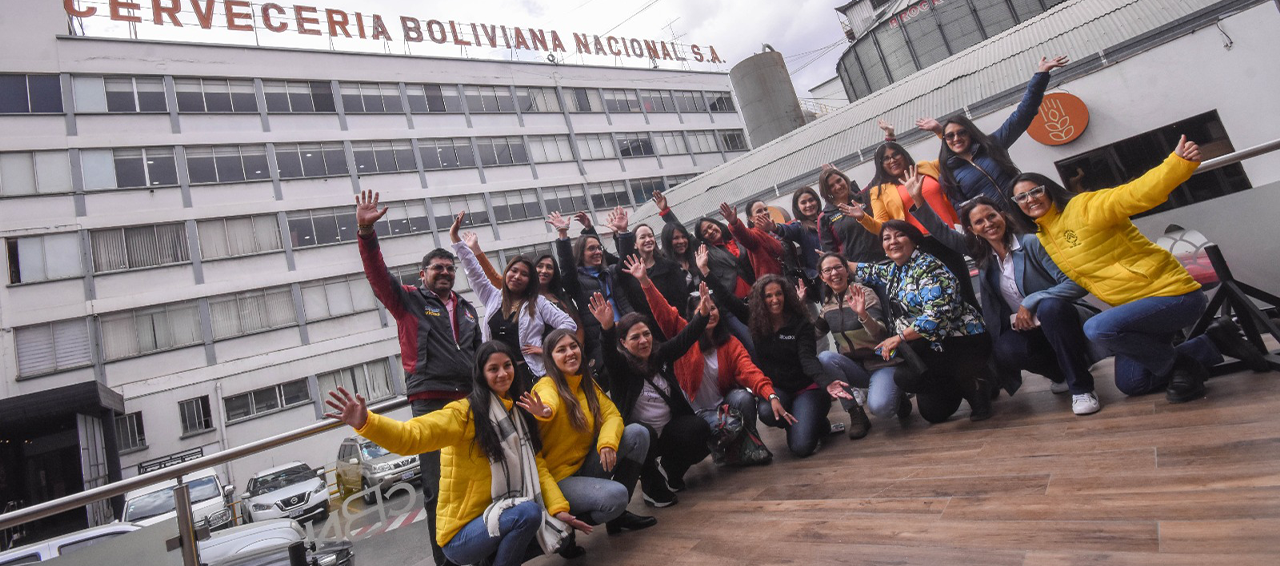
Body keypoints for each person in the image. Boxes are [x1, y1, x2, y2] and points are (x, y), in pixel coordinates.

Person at [1008, 136, 1269, 403]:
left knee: (1097, 328)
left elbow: (1135, 193)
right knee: (1132, 382)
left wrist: (1177, 164)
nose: (1030, 199)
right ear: (1017, 205)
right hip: (1137, 314)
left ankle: (1184, 365)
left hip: (1171, 295)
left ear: (1048, 189)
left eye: (1035, 190)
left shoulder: (1084, 207)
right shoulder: (1044, 236)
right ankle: (1213, 341)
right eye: (1021, 197)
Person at [323, 342, 591, 566]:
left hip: (498, 516)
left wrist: (558, 508)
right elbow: (412, 436)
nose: (502, 374)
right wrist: (366, 422)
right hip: (461, 534)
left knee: (555, 530)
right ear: (480, 374)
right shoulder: (465, 413)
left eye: (507, 366)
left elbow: (537, 466)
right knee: (529, 515)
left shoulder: (517, 413)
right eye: (493, 368)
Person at [355, 190, 480, 566]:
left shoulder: (468, 309)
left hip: (471, 400)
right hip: (430, 401)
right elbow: (377, 276)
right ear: (423, 274)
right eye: (436, 268)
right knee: (438, 487)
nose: (444, 272)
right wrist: (365, 232)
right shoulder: (408, 299)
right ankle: (446, 562)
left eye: (449, 268)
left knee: (476, 477)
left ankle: (479, 553)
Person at [907, 178, 1104, 414]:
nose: (988, 224)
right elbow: (942, 232)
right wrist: (918, 199)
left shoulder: (1031, 243)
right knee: (1006, 350)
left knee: (1050, 308)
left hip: (1060, 318)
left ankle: (1082, 388)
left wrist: (1032, 301)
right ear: (971, 230)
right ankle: (1060, 373)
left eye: (991, 216)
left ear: (1002, 215)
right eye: (979, 222)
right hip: (1028, 328)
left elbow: (1075, 284)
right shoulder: (982, 253)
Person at [621, 254, 785, 463]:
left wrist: (771, 396)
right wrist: (645, 281)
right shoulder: (682, 333)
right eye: (703, 309)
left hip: (724, 405)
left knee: (744, 398)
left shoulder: (730, 343)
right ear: (694, 315)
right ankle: (720, 447)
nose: (710, 312)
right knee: (706, 431)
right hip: (694, 414)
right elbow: (664, 312)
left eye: (713, 307)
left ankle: (747, 445)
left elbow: (750, 371)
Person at [854, 220, 995, 423]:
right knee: (933, 414)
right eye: (886, 238)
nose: (893, 241)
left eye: (899, 235)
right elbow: (867, 270)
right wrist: (835, 265)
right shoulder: (894, 269)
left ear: (914, 240)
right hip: (931, 344)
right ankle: (959, 385)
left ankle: (976, 382)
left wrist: (899, 338)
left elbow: (935, 317)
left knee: (906, 375)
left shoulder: (929, 267)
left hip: (961, 340)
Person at [589, 285, 714, 508]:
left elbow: (684, 339)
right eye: (635, 337)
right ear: (623, 344)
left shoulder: (659, 355)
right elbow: (608, 354)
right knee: (644, 435)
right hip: (640, 440)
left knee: (700, 430)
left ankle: (670, 471)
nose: (644, 340)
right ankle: (650, 483)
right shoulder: (621, 369)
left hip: (667, 433)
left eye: (646, 334)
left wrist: (703, 314)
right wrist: (607, 329)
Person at [529, 329, 656, 544]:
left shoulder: (586, 383)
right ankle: (566, 530)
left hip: (586, 465)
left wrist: (607, 443)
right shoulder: (545, 386)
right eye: (561, 350)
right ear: (550, 358)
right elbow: (548, 403)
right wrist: (545, 413)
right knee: (615, 496)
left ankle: (618, 518)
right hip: (560, 478)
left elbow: (613, 415)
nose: (570, 353)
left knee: (638, 434)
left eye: (573, 346)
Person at [847, 121, 976, 306]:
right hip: (920, 247)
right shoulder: (879, 190)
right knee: (940, 301)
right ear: (881, 165)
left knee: (966, 295)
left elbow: (951, 157)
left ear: (904, 154)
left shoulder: (925, 168)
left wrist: (940, 132)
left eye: (895, 154)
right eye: (886, 159)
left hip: (949, 239)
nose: (892, 160)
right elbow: (882, 227)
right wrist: (863, 218)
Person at [700, 267, 824, 458]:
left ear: (786, 295)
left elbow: (808, 359)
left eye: (778, 294)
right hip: (780, 390)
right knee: (766, 412)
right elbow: (728, 300)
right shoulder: (756, 321)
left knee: (801, 448)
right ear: (760, 300)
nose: (774, 300)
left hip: (805, 388)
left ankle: (815, 420)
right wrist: (707, 272)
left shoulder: (800, 323)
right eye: (768, 296)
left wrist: (827, 382)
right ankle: (804, 420)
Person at [917, 56, 1069, 207]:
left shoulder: (993, 144)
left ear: (970, 132)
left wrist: (1041, 74)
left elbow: (1023, 114)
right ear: (944, 139)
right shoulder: (948, 174)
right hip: (999, 227)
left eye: (961, 132)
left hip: (1027, 211)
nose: (956, 138)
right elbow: (961, 208)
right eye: (950, 136)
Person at [448, 212, 577, 386]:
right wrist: (455, 238)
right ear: (507, 272)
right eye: (513, 271)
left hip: (530, 375)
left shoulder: (538, 302)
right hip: (497, 378)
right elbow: (474, 272)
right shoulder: (493, 296)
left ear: (530, 280)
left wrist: (546, 349)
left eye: (524, 274)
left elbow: (569, 325)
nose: (517, 276)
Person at [813, 253, 909, 438]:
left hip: (882, 363)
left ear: (847, 271)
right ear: (822, 277)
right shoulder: (828, 305)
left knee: (881, 408)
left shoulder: (864, 293)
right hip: (856, 369)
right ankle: (856, 414)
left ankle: (898, 395)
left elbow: (881, 334)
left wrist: (863, 315)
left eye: (838, 267)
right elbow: (813, 336)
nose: (834, 273)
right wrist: (798, 308)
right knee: (825, 357)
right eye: (828, 270)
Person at [551, 209, 635, 391]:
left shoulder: (612, 272)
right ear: (580, 254)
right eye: (591, 249)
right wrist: (563, 235)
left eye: (599, 248)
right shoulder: (577, 282)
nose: (597, 251)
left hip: (629, 335)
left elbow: (628, 260)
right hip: (601, 345)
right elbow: (566, 268)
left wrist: (623, 232)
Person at [453, 232, 584, 344]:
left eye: (549, 267)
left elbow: (574, 325)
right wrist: (475, 249)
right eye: (540, 266)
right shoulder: (498, 296)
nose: (544, 271)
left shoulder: (555, 298)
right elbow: (480, 275)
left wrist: (549, 349)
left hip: (540, 365)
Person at [617, 222, 695, 322]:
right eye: (642, 237)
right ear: (635, 245)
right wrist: (622, 232)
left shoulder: (670, 267)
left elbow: (681, 299)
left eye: (650, 236)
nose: (648, 240)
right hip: (645, 327)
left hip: (671, 322)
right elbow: (623, 259)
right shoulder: (630, 270)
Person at [817, 164, 885, 263]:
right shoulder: (825, 217)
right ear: (826, 191)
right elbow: (830, 252)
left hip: (885, 259)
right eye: (831, 186)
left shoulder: (864, 198)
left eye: (839, 180)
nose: (838, 186)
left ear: (845, 179)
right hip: (857, 270)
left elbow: (877, 179)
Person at [720, 200, 785, 280]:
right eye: (759, 211)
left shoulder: (776, 229)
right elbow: (744, 235)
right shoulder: (755, 235)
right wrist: (734, 223)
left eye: (765, 209)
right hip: (773, 284)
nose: (764, 213)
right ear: (750, 218)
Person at [772, 186, 823, 286]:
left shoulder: (827, 219)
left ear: (817, 201)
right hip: (820, 279)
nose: (808, 205)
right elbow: (785, 230)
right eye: (803, 202)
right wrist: (774, 227)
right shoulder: (799, 227)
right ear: (798, 207)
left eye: (811, 200)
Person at [652, 190, 702, 293]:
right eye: (675, 238)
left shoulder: (695, 254)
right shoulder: (663, 262)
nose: (681, 241)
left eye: (684, 237)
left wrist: (666, 211)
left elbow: (681, 230)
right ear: (667, 240)